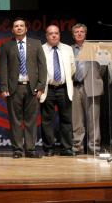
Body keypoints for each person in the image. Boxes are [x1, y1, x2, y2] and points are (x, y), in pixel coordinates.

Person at [0, 17, 47, 158]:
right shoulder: (7, 46)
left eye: (21, 26)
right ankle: (18, 150)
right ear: (13, 30)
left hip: (32, 88)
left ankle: (30, 149)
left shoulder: (36, 44)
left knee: (31, 121)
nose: (19, 28)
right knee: (16, 121)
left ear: (26, 28)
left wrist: (41, 86)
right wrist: (3, 87)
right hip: (14, 88)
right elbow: (3, 68)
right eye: (16, 26)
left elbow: (42, 67)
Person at [40, 25, 76, 156]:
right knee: (47, 120)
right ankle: (48, 148)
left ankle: (66, 148)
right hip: (47, 89)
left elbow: (72, 68)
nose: (54, 36)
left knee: (66, 119)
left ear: (59, 35)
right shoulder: (41, 49)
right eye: (51, 33)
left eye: (56, 33)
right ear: (46, 35)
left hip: (63, 88)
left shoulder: (67, 49)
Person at [71, 23, 105, 155]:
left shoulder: (95, 48)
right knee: (77, 121)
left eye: (82, 32)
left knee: (93, 120)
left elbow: (102, 67)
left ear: (86, 34)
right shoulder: (69, 49)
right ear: (73, 35)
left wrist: (94, 78)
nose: (79, 34)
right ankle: (77, 147)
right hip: (75, 86)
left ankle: (94, 148)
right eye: (76, 32)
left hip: (91, 86)